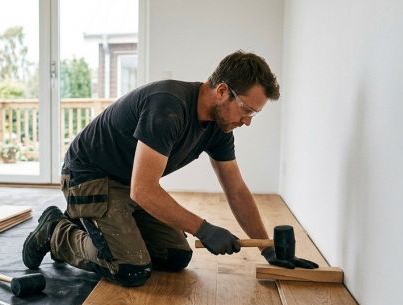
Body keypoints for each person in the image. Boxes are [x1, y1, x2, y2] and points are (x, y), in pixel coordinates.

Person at [22, 50, 318, 287]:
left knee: (175, 256)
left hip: (127, 184)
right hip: (88, 177)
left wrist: (268, 249)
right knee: (131, 268)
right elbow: (143, 190)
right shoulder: (168, 106)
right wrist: (203, 228)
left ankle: (101, 224)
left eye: (254, 114)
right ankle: (56, 230)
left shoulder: (219, 128)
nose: (248, 121)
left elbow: (237, 190)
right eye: (247, 110)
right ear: (222, 91)